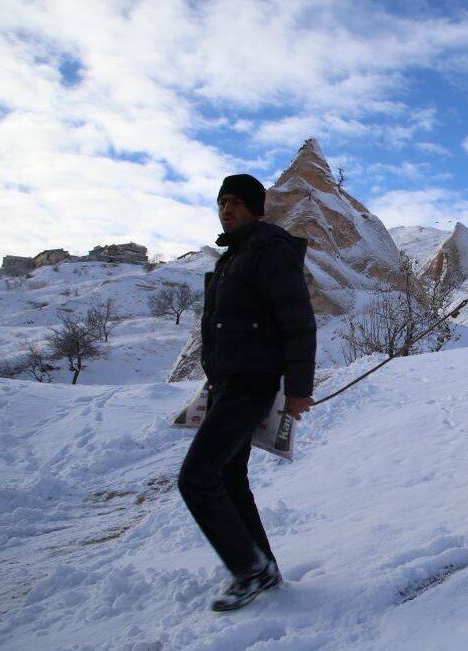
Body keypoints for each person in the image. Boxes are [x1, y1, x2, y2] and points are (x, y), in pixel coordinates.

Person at [178, 173, 316, 612]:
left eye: (235, 202)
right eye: (221, 202)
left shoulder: (270, 249)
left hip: (250, 385)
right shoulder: (232, 258)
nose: (226, 209)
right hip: (226, 384)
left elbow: (298, 321)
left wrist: (297, 390)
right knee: (228, 477)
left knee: (196, 478)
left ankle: (250, 569)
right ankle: (263, 568)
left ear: (256, 208)